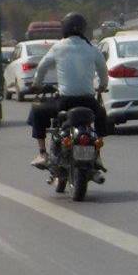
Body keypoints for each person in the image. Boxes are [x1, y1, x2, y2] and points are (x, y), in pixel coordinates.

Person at [27, 12, 109, 169]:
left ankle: (42, 153)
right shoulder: (92, 48)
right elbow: (103, 71)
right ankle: (97, 155)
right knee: (101, 114)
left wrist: (37, 84)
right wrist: (103, 86)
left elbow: (43, 67)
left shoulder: (58, 47)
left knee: (37, 110)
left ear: (64, 28)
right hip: (88, 101)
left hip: (65, 102)